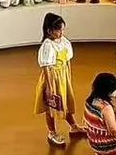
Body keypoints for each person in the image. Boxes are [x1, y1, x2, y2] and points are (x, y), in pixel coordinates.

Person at [35, 12, 83, 146]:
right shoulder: (48, 45)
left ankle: (73, 126)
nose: (61, 33)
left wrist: (67, 76)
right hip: (53, 79)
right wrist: (50, 87)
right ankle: (51, 132)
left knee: (65, 102)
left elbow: (67, 60)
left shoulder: (63, 41)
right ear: (49, 31)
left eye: (63, 29)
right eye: (58, 30)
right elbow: (47, 67)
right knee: (52, 107)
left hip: (63, 76)